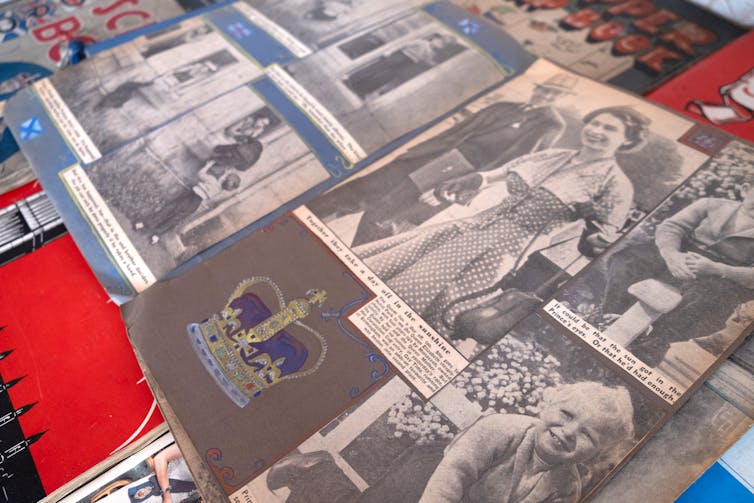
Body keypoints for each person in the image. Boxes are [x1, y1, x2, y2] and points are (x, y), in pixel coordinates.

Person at [354, 106, 649, 342]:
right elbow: (504, 171)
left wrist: (592, 229)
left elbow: (601, 243)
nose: (596, 131)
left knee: (416, 291)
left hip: (500, 253)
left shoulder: (617, 185)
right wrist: (474, 179)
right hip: (466, 228)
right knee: (383, 266)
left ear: (627, 140)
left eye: (609, 128)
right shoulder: (555, 155)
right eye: (594, 123)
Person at [307, 73, 575, 245]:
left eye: (553, 94)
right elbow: (453, 132)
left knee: (383, 218)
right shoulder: (504, 107)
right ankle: (299, 224)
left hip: (454, 172)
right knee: (355, 192)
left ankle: (350, 268)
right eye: (543, 89)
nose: (545, 95)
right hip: (425, 157)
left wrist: (459, 187)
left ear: (561, 99)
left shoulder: (549, 123)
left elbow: (513, 163)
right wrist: (413, 153)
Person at [602, 175, 754, 366]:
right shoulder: (712, 204)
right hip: (681, 254)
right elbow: (672, 226)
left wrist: (717, 269)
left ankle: (654, 340)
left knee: (709, 301)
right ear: (746, 189)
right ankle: (610, 316)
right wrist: (672, 255)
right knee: (629, 259)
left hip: (722, 275)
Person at [417, 382, 635, 503]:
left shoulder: (567, 489)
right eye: (567, 414)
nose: (568, 432)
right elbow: (452, 476)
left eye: (587, 435)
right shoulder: (501, 429)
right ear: (547, 405)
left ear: (596, 455)